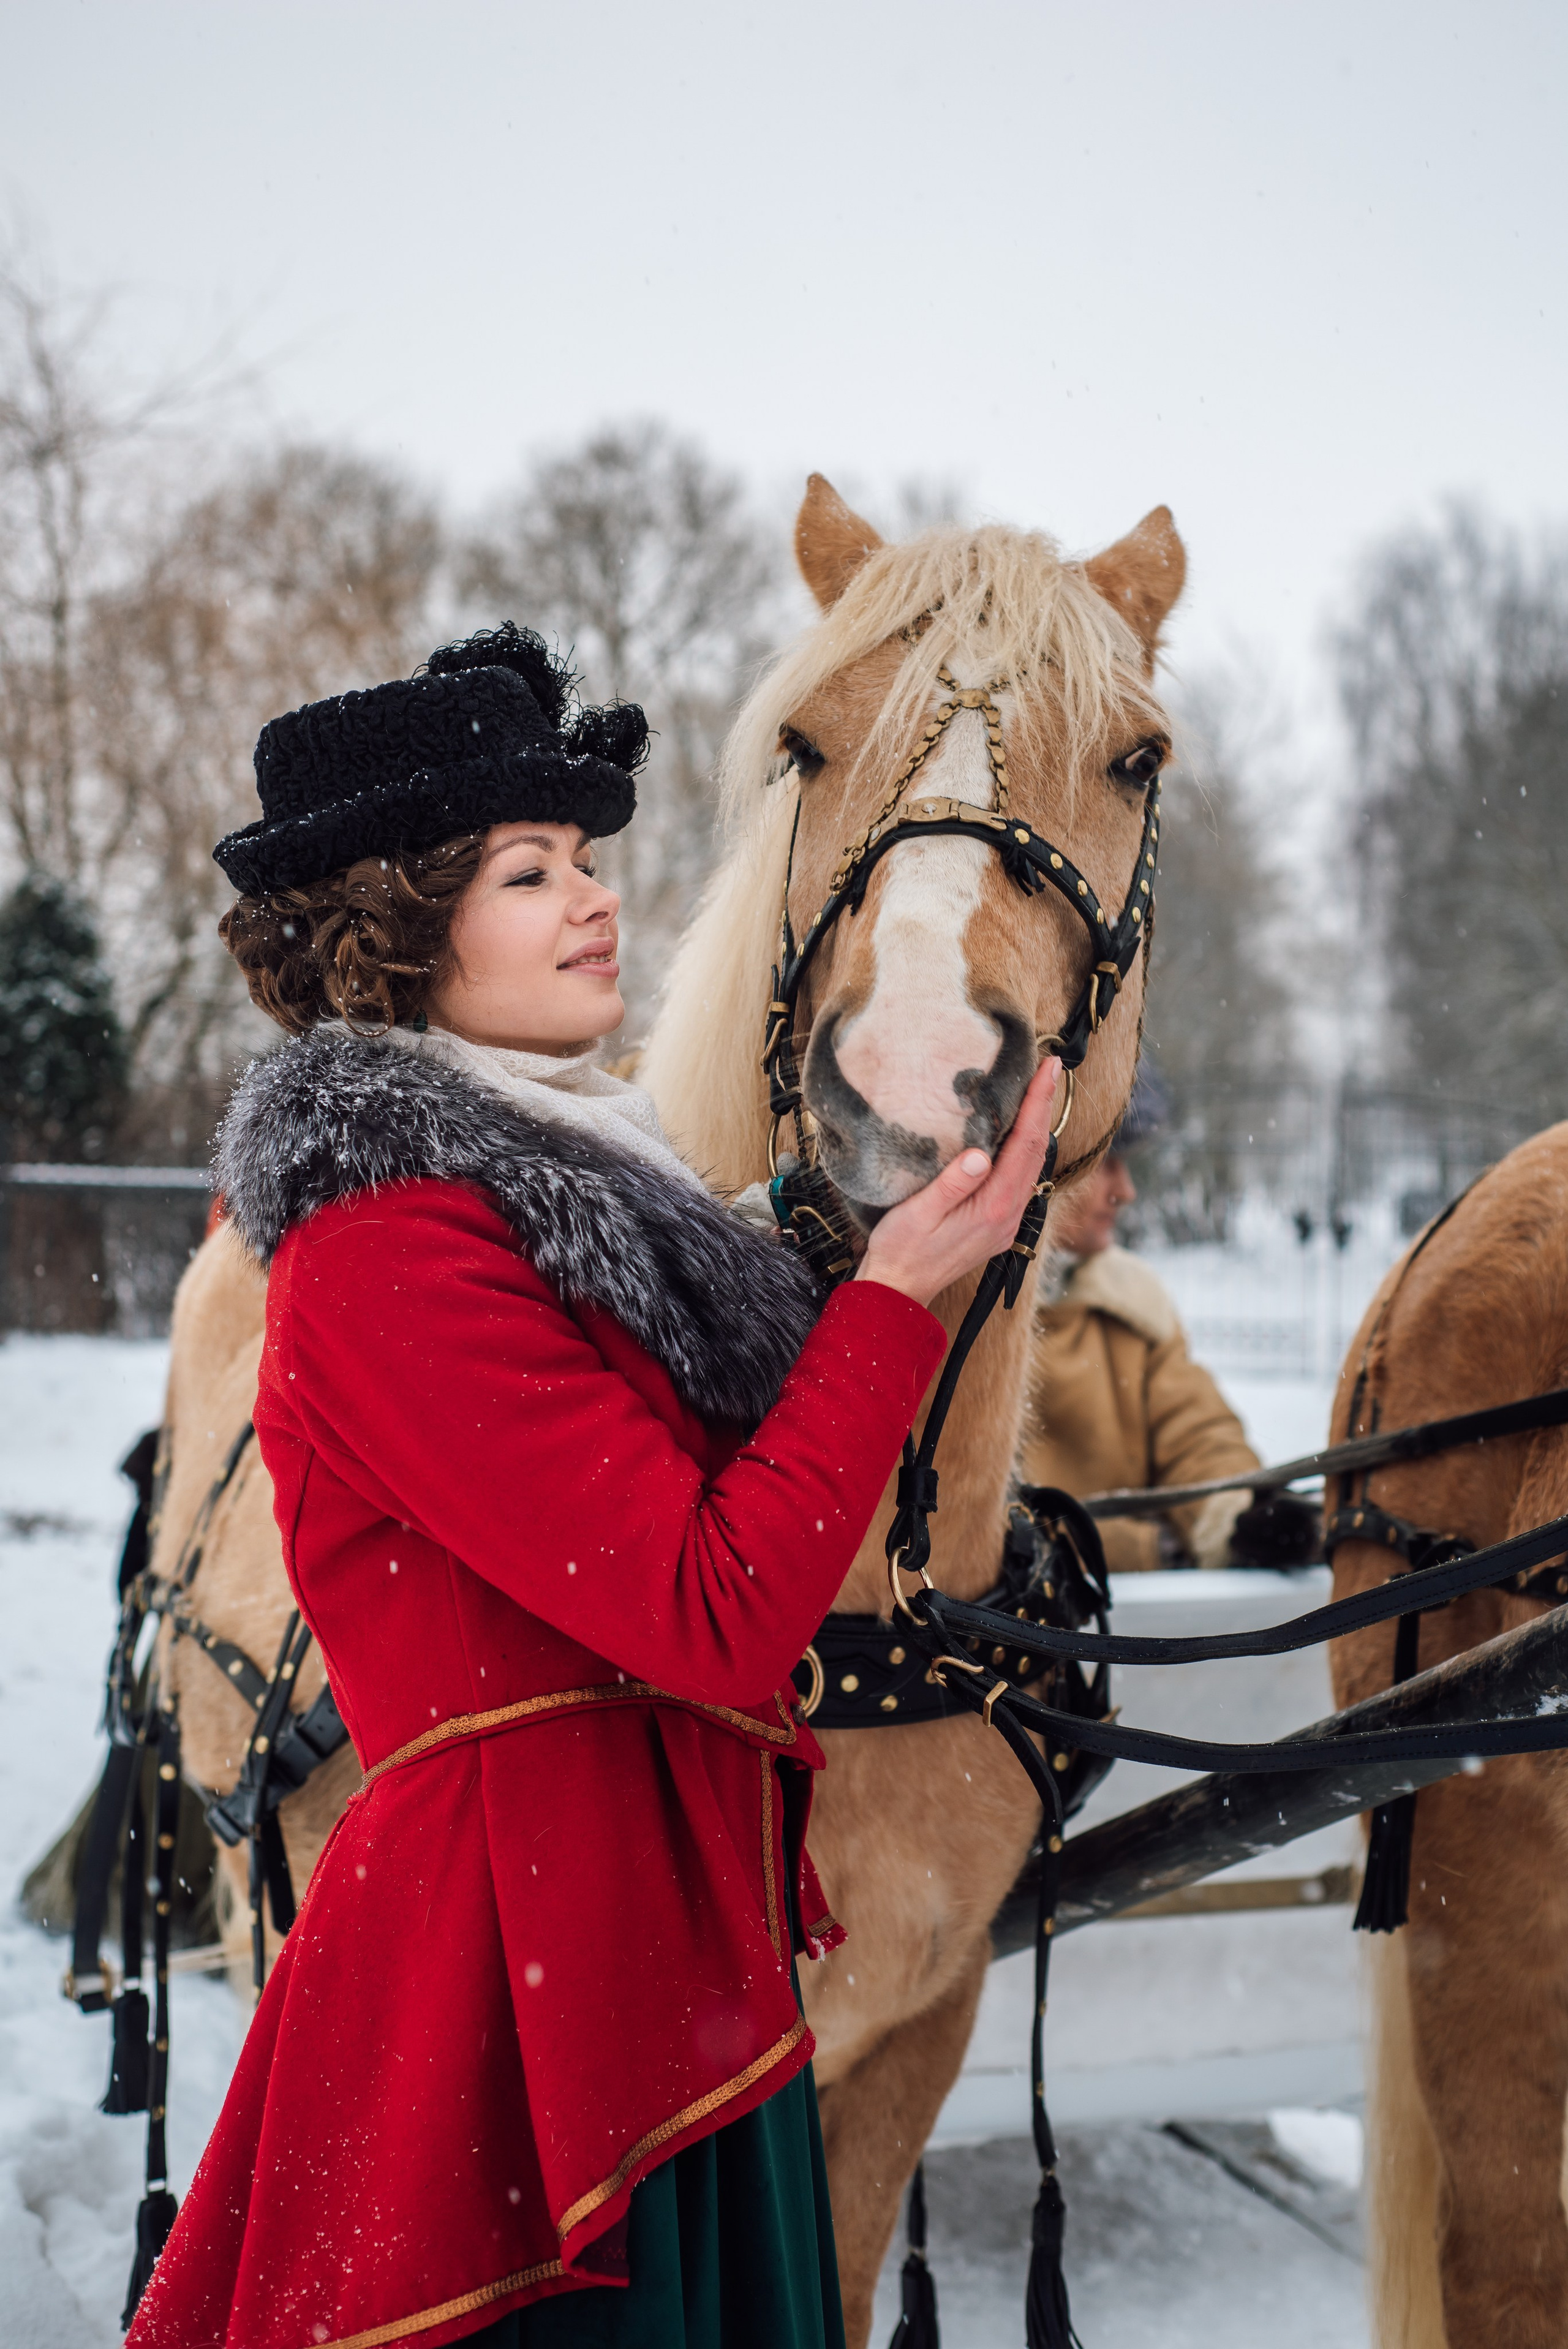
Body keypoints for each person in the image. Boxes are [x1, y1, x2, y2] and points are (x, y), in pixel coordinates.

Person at [126, 623, 1061, 2349]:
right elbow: (712, 1607)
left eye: (587, 860)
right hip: (508, 2004)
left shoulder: (558, 1192)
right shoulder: (386, 1248)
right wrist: (884, 1308)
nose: (594, 897)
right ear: (397, 933)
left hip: (650, 1963)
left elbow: (691, 1450)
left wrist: (835, 1239)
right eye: (527, 870)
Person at [1020, 1073, 1316, 1574]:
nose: (1126, 1191)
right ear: (1033, 1164)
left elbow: (1194, 1432)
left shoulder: (1130, 1303)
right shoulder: (954, 1317)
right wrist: (1143, 1547)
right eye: (1104, 1164)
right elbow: (963, 1525)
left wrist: (1236, 1515)